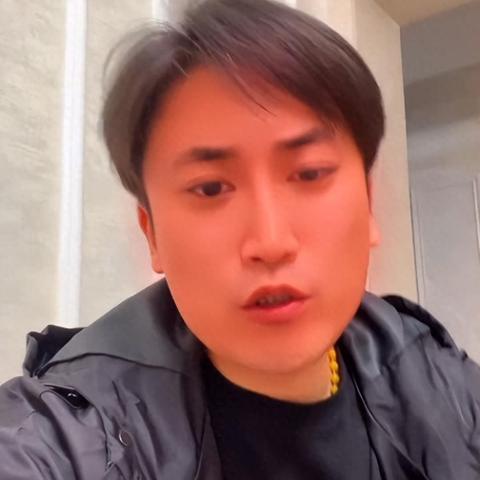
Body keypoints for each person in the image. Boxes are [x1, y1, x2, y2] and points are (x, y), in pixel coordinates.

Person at [1, 0, 479, 478]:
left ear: (369, 204)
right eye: (211, 188)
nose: (271, 242)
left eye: (310, 173)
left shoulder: (440, 380)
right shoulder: (66, 437)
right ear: (153, 235)